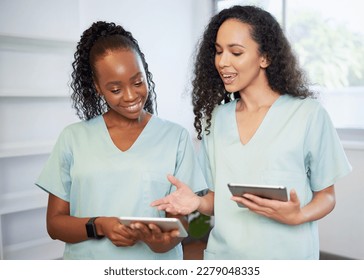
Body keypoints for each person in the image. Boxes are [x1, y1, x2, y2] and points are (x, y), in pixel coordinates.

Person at [151, 5, 352, 259]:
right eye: (218, 51)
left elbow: (327, 196)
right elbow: (217, 199)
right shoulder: (217, 118)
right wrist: (197, 203)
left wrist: (299, 214)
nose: (223, 62)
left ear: (265, 57)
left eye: (236, 52)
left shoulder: (307, 115)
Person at [35, 21, 207, 260]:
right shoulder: (72, 138)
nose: (131, 96)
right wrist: (99, 226)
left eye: (138, 82)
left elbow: (181, 225)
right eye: (115, 89)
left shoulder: (175, 137)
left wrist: (159, 242)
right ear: (97, 88)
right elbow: (54, 225)